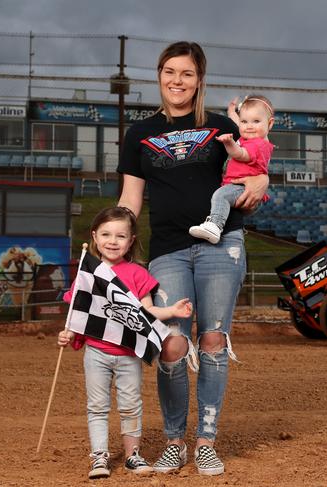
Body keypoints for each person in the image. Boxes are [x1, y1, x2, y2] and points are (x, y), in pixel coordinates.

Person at [117, 41, 268, 476]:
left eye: (186, 73)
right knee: (171, 343)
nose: (176, 81)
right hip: (167, 249)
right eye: (169, 71)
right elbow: (131, 197)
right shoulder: (139, 133)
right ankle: (173, 442)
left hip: (223, 245)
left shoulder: (222, 125)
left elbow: (254, 161)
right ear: (159, 75)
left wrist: (262, 179)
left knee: (214, 340)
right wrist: (113, 239)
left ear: (199, 79)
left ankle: (205, 441)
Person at [57, 207, 193, 480]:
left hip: (129, 352)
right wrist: (69, 333)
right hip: (96, 351)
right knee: (97, 405)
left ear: (131, 241)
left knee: (131, 405)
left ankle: (132, 455)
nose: (112, 241)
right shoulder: (88, 274)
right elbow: (79, 310)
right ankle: (99, 456)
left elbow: (147, 312)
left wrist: (172, 312)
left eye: (120, 235)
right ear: (94, 237)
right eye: (106, 234)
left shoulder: (138, 274)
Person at [188, 95, 274, 244]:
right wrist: (232, 112)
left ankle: (215, 226)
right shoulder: (250, 136)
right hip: (237, 186)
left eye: (256, 121)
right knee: (222, 196)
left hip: (244, 188)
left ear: (270, 123)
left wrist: (229, 143)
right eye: (244, 121)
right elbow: (238, 123)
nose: (249, 126)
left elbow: (240, 154)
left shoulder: (259, 144)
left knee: (220, 196)